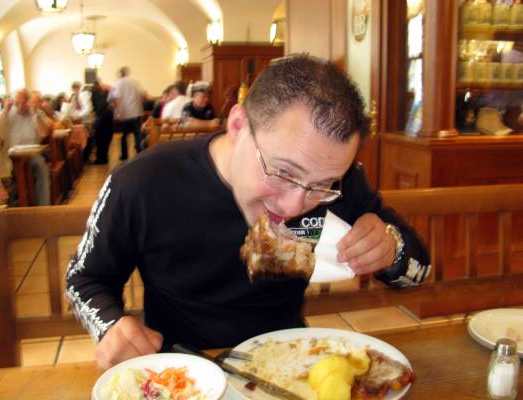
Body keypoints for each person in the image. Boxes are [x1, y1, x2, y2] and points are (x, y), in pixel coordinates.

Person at [66, 55, 430, 370]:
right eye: (283, 172)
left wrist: (390, 247)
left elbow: (418, 271)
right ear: (239, 126)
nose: (292, 207)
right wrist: (110, 325)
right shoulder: (142, 183)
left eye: (321, 185)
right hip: (182, 367)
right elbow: (84, 278)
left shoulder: (341, 183)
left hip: (290, 362)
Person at [4, 89, 50, 205]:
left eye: (23, 103)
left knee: (40, 166)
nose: (20, 106)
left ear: (29, 102)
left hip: (32, 154)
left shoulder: (37, 113)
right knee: (1, 170)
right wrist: (5, 111)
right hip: (11, 155)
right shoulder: (9, 113)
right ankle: (12, 204)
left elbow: (44, 133)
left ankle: (44, 206)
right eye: (17, 103)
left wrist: (35, 115)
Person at [108, 66, 144, 160]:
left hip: (125, 113)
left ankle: (124, 155)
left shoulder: (118, 83)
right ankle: (140, 152)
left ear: (120, 73)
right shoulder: (135, 82)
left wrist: (118, 113)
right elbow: (142, 95)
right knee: (137, 134)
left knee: (124, 135)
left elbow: (116, 99)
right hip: (136, 112)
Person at [90, 80, 114, 165]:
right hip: (108, 118)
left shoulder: (95, 93)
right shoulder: (105, 93)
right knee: (106, 139)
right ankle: (104, 157)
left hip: (102, 118)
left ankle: (101, 159)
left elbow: (97, 107)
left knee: (100, 139)